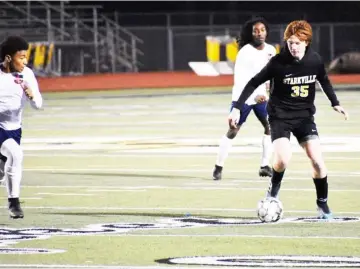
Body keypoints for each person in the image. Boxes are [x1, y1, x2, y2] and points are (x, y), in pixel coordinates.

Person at [228, 20, 348, 219]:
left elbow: (324, 80)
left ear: (306, 42)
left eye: (297, 43)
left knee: (317, 161)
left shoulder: (314, 60)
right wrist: (236, 109)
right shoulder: (277, 62)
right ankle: (273, 192)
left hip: (304, 117)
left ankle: (322, 204)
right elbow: (253, 82)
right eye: (290, 42)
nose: (292, 46)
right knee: (283, 158)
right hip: (279, 117)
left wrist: (335, 102)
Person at [212, 17, 277, 181]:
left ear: (266, 32)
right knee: (233, 131)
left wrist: (269, 92)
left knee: (270, 127)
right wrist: (237, 107)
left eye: (262, 30)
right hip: (244, 98)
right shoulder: (245, 52)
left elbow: (271, 76)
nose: (259, 33)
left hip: (262, 98)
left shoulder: (271, 50)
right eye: (255, 31)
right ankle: (218, 167)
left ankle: (264, 165)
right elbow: (242, 82)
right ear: (251, 33)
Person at [0, 36, 43, 219]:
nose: (25, 61)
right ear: (9, 58)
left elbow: (38, 105)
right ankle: (14, 203)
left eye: (26, 57)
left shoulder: (27, 74)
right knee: (16, 154)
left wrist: (32, 96)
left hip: (14, 129)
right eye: (21, 57)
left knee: (3, 171)